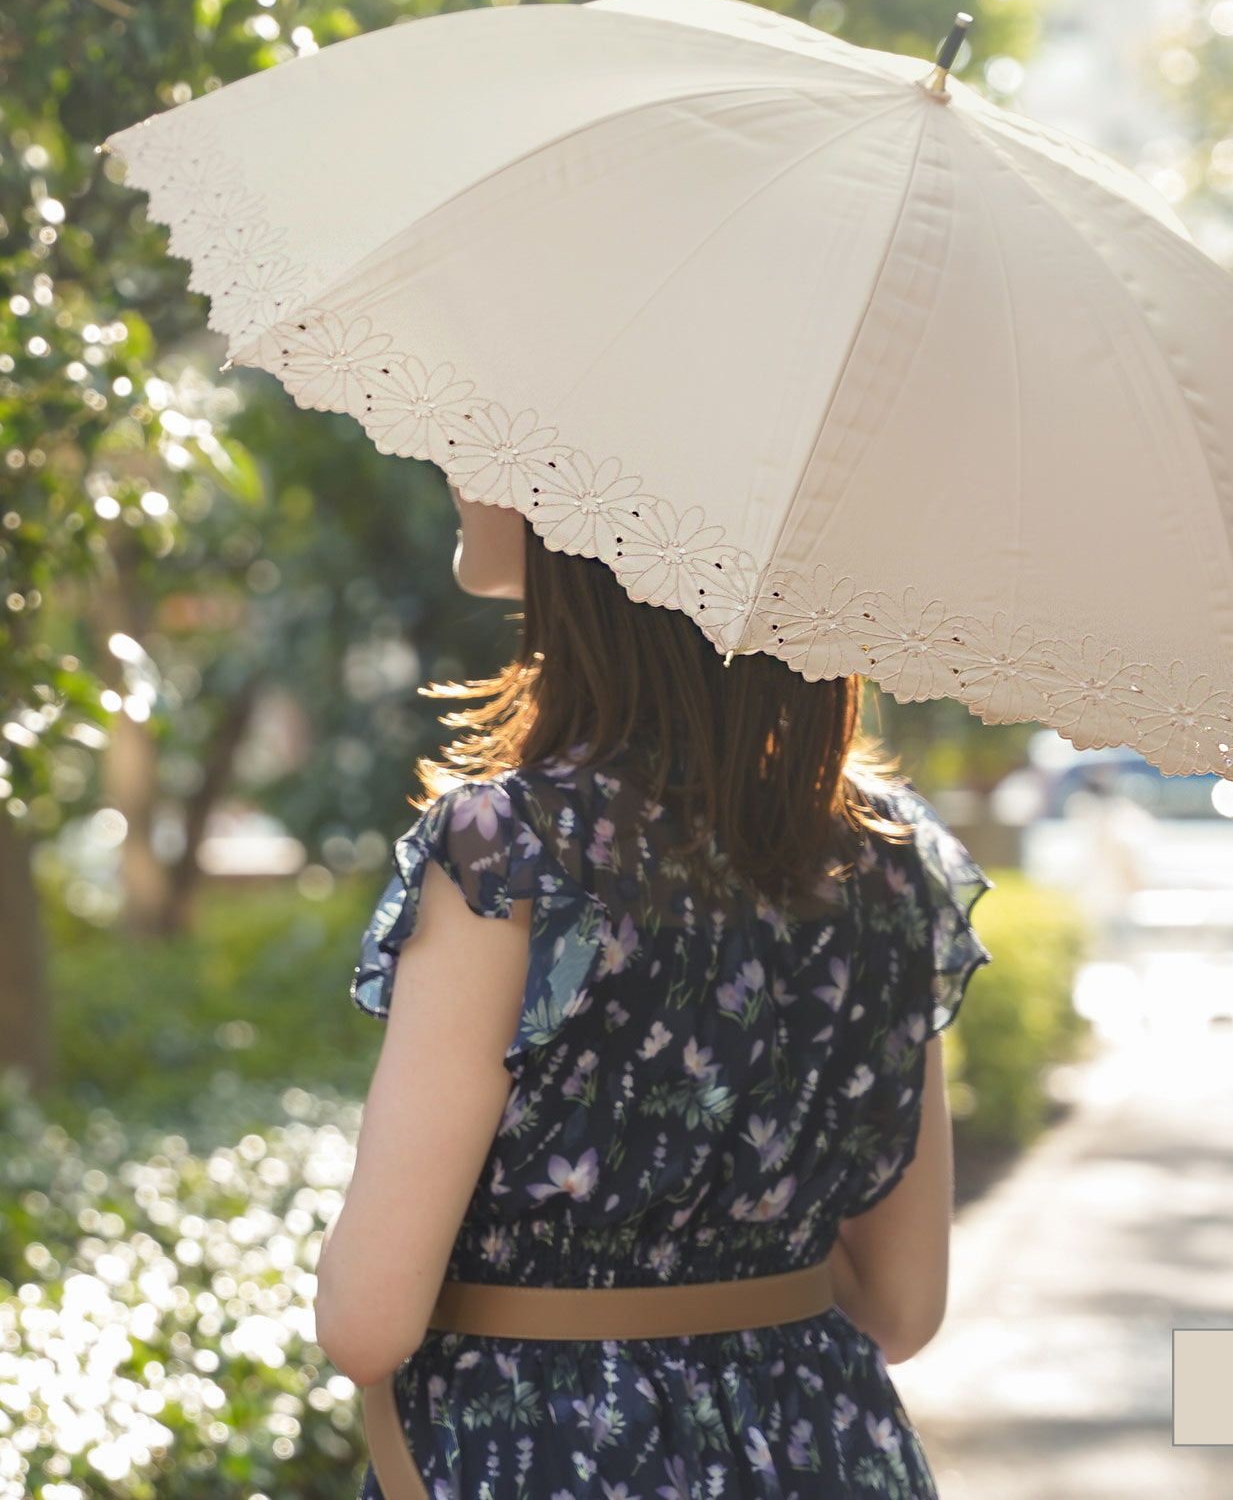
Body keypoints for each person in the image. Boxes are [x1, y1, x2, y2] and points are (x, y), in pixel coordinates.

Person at [313, 483, 992, 1498]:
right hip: (828, 1457)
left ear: (596, 504)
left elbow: (366, 1321)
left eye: (491, 442)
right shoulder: (886, 861)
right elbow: (902, 1308)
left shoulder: (512, 854)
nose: (453, 472)